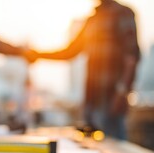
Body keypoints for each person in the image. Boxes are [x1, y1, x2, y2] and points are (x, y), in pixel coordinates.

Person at [36, 0, 140, 139]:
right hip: (91, 103)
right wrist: (37, 54)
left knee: (116, 149)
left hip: (111, 100)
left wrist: (122, 93)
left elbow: (131, 57)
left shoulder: (123, 13)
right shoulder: (92, 20)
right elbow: (69, 52)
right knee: (93, 149)